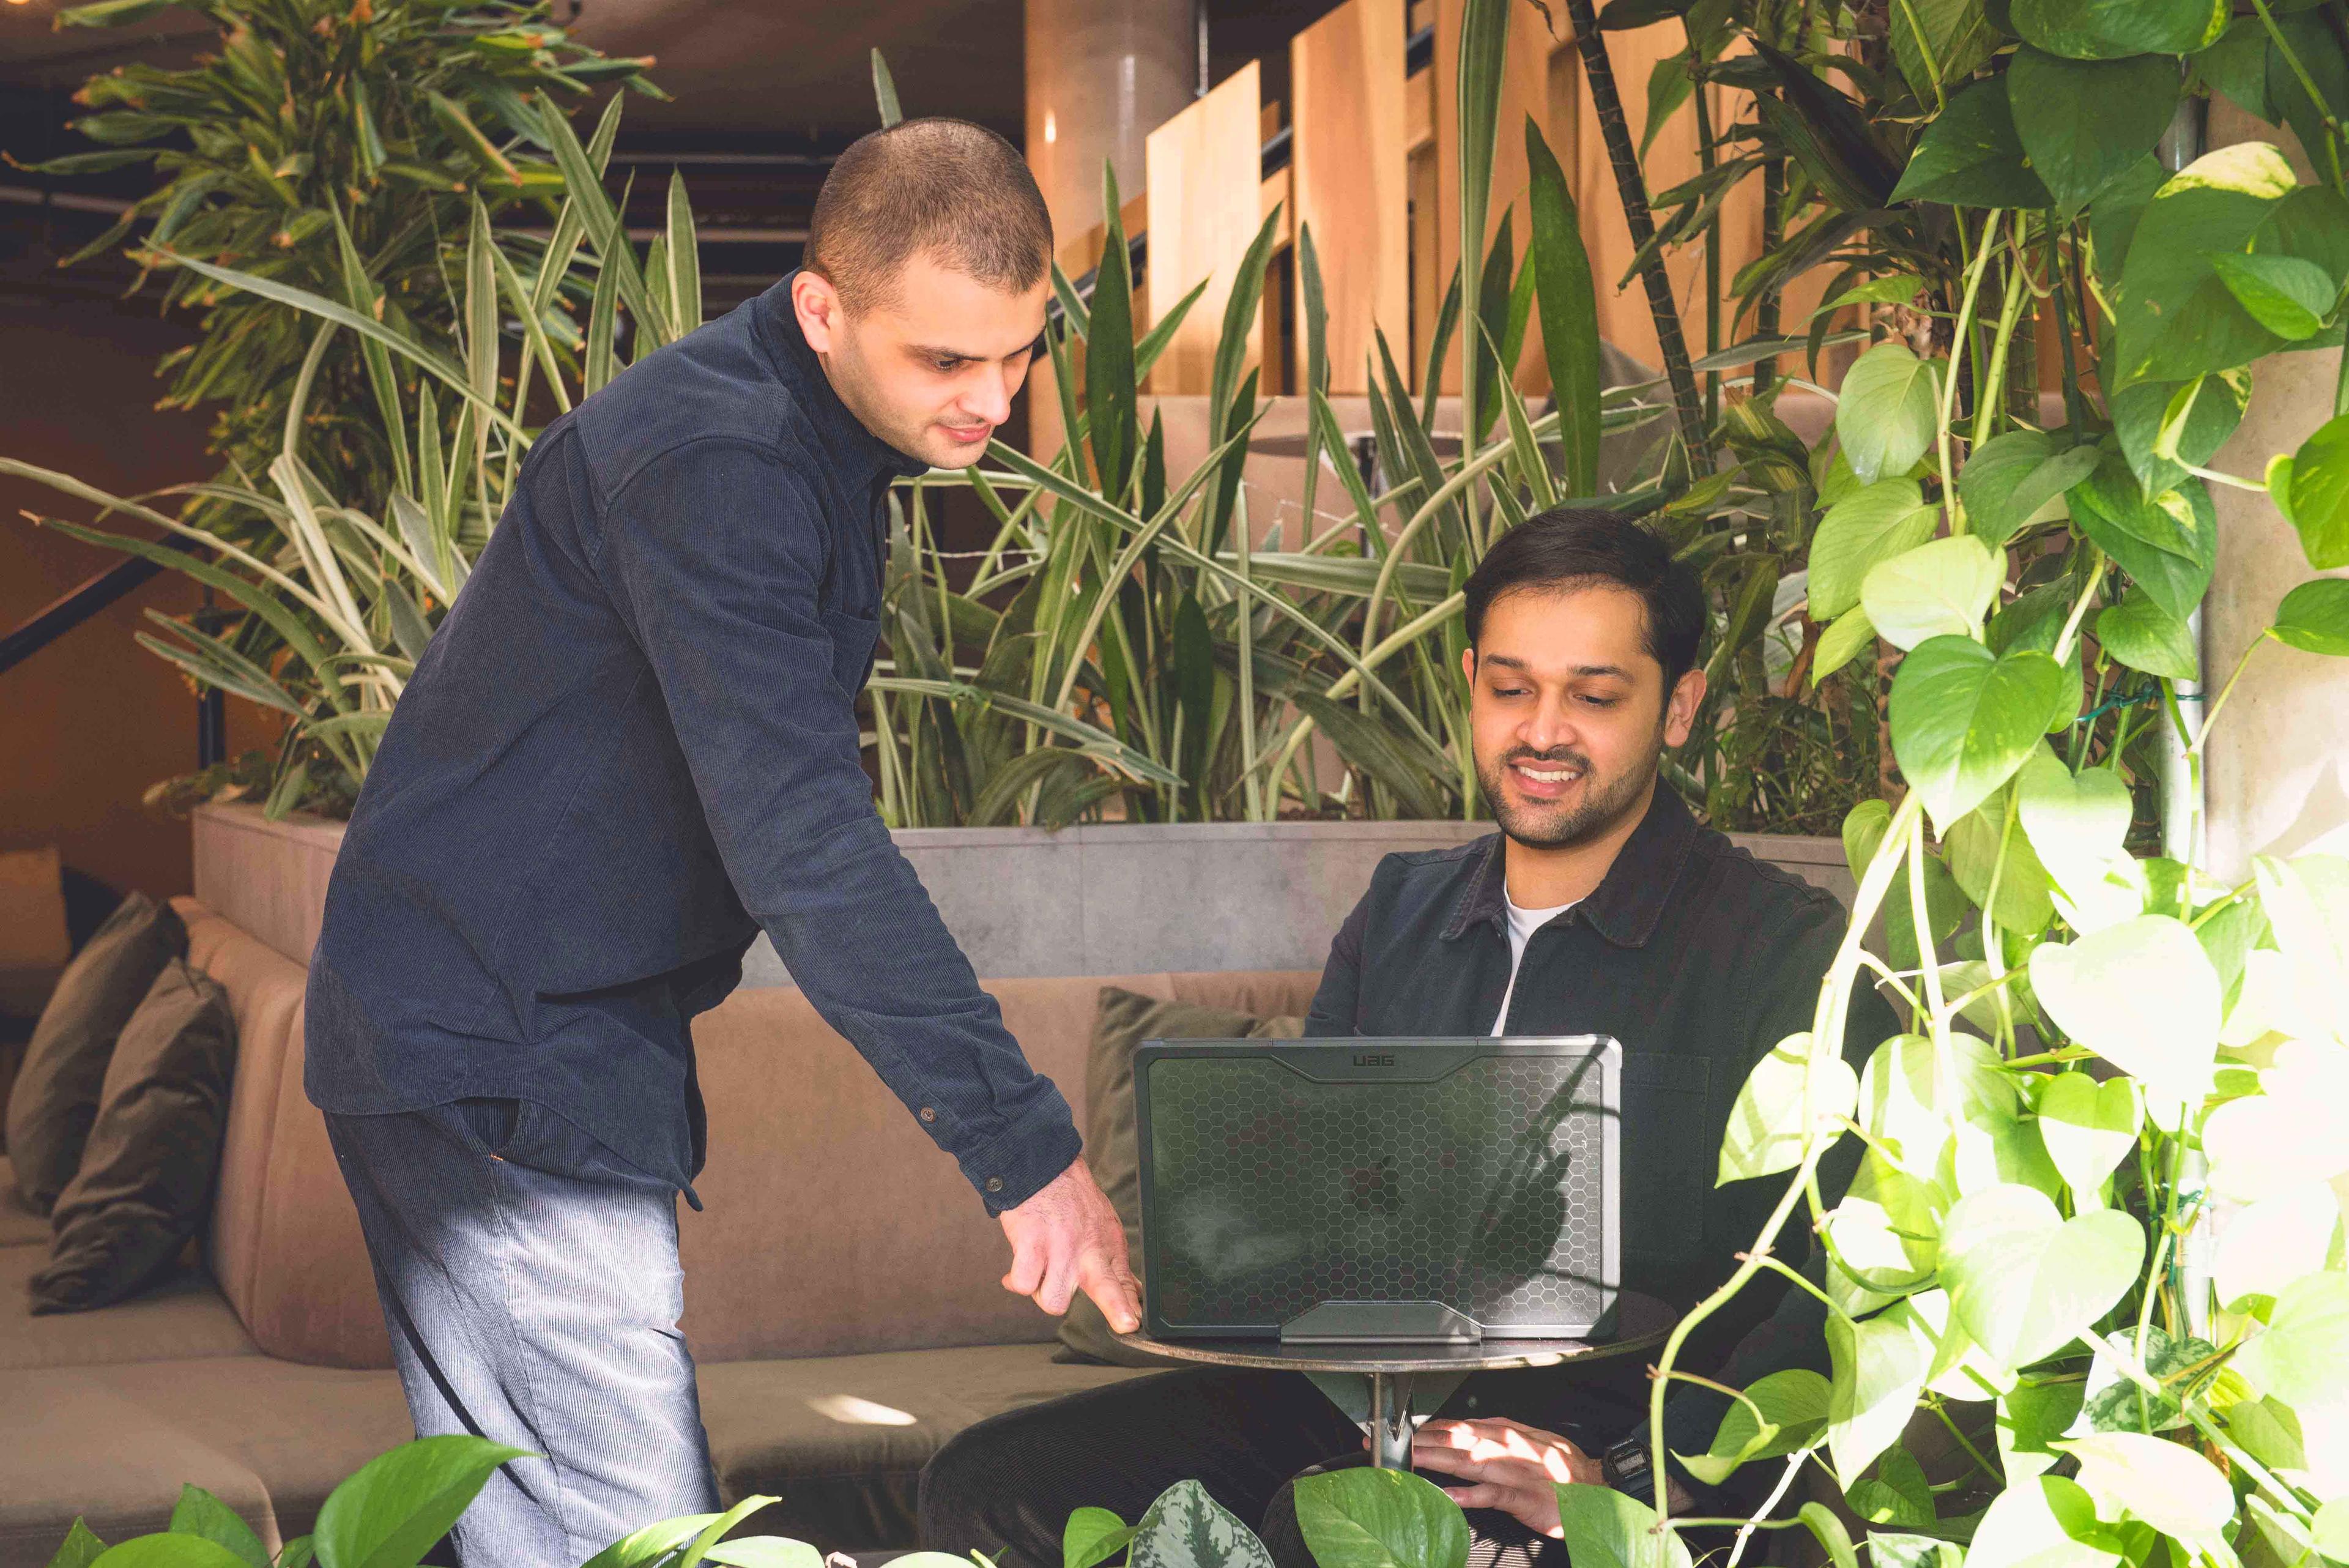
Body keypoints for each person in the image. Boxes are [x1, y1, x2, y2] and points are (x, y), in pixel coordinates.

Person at [305, 118, 1139, 1568]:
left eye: (1020, 355)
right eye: (948, 359)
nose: (994, 402)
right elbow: (805, 839)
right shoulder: (720, 462)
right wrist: (1025, 1149)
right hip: (496, 1057)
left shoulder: (812, 435)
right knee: (640, 1544)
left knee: (541, 1537)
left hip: (542, 1038)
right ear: (822, 309)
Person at [918, 507, 1901, 1568]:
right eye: (1511, 689)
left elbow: (1829, 1298)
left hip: (1618, 1439)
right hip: (1366, 1407)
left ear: (1679, 708)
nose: (1543, 733)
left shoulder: (1789, 954)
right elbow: (1310, 1203)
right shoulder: (1401, 912)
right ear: (1471, 683)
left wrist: (1617, 1475)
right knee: (992, 1487)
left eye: (1594, 697)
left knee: (1332, 1538)